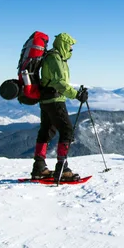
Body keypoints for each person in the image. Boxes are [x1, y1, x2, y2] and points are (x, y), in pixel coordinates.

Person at [30, 32, 89, 181]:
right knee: (67, 130)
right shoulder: (55, 58)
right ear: (63, 43)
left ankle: (39, 167)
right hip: (54, 100)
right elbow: (59, 82)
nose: (71, 48)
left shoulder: (56, 58)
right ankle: (62, 168)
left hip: (46, 99)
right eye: (70, 45)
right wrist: (76, 94)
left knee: (46, 132)